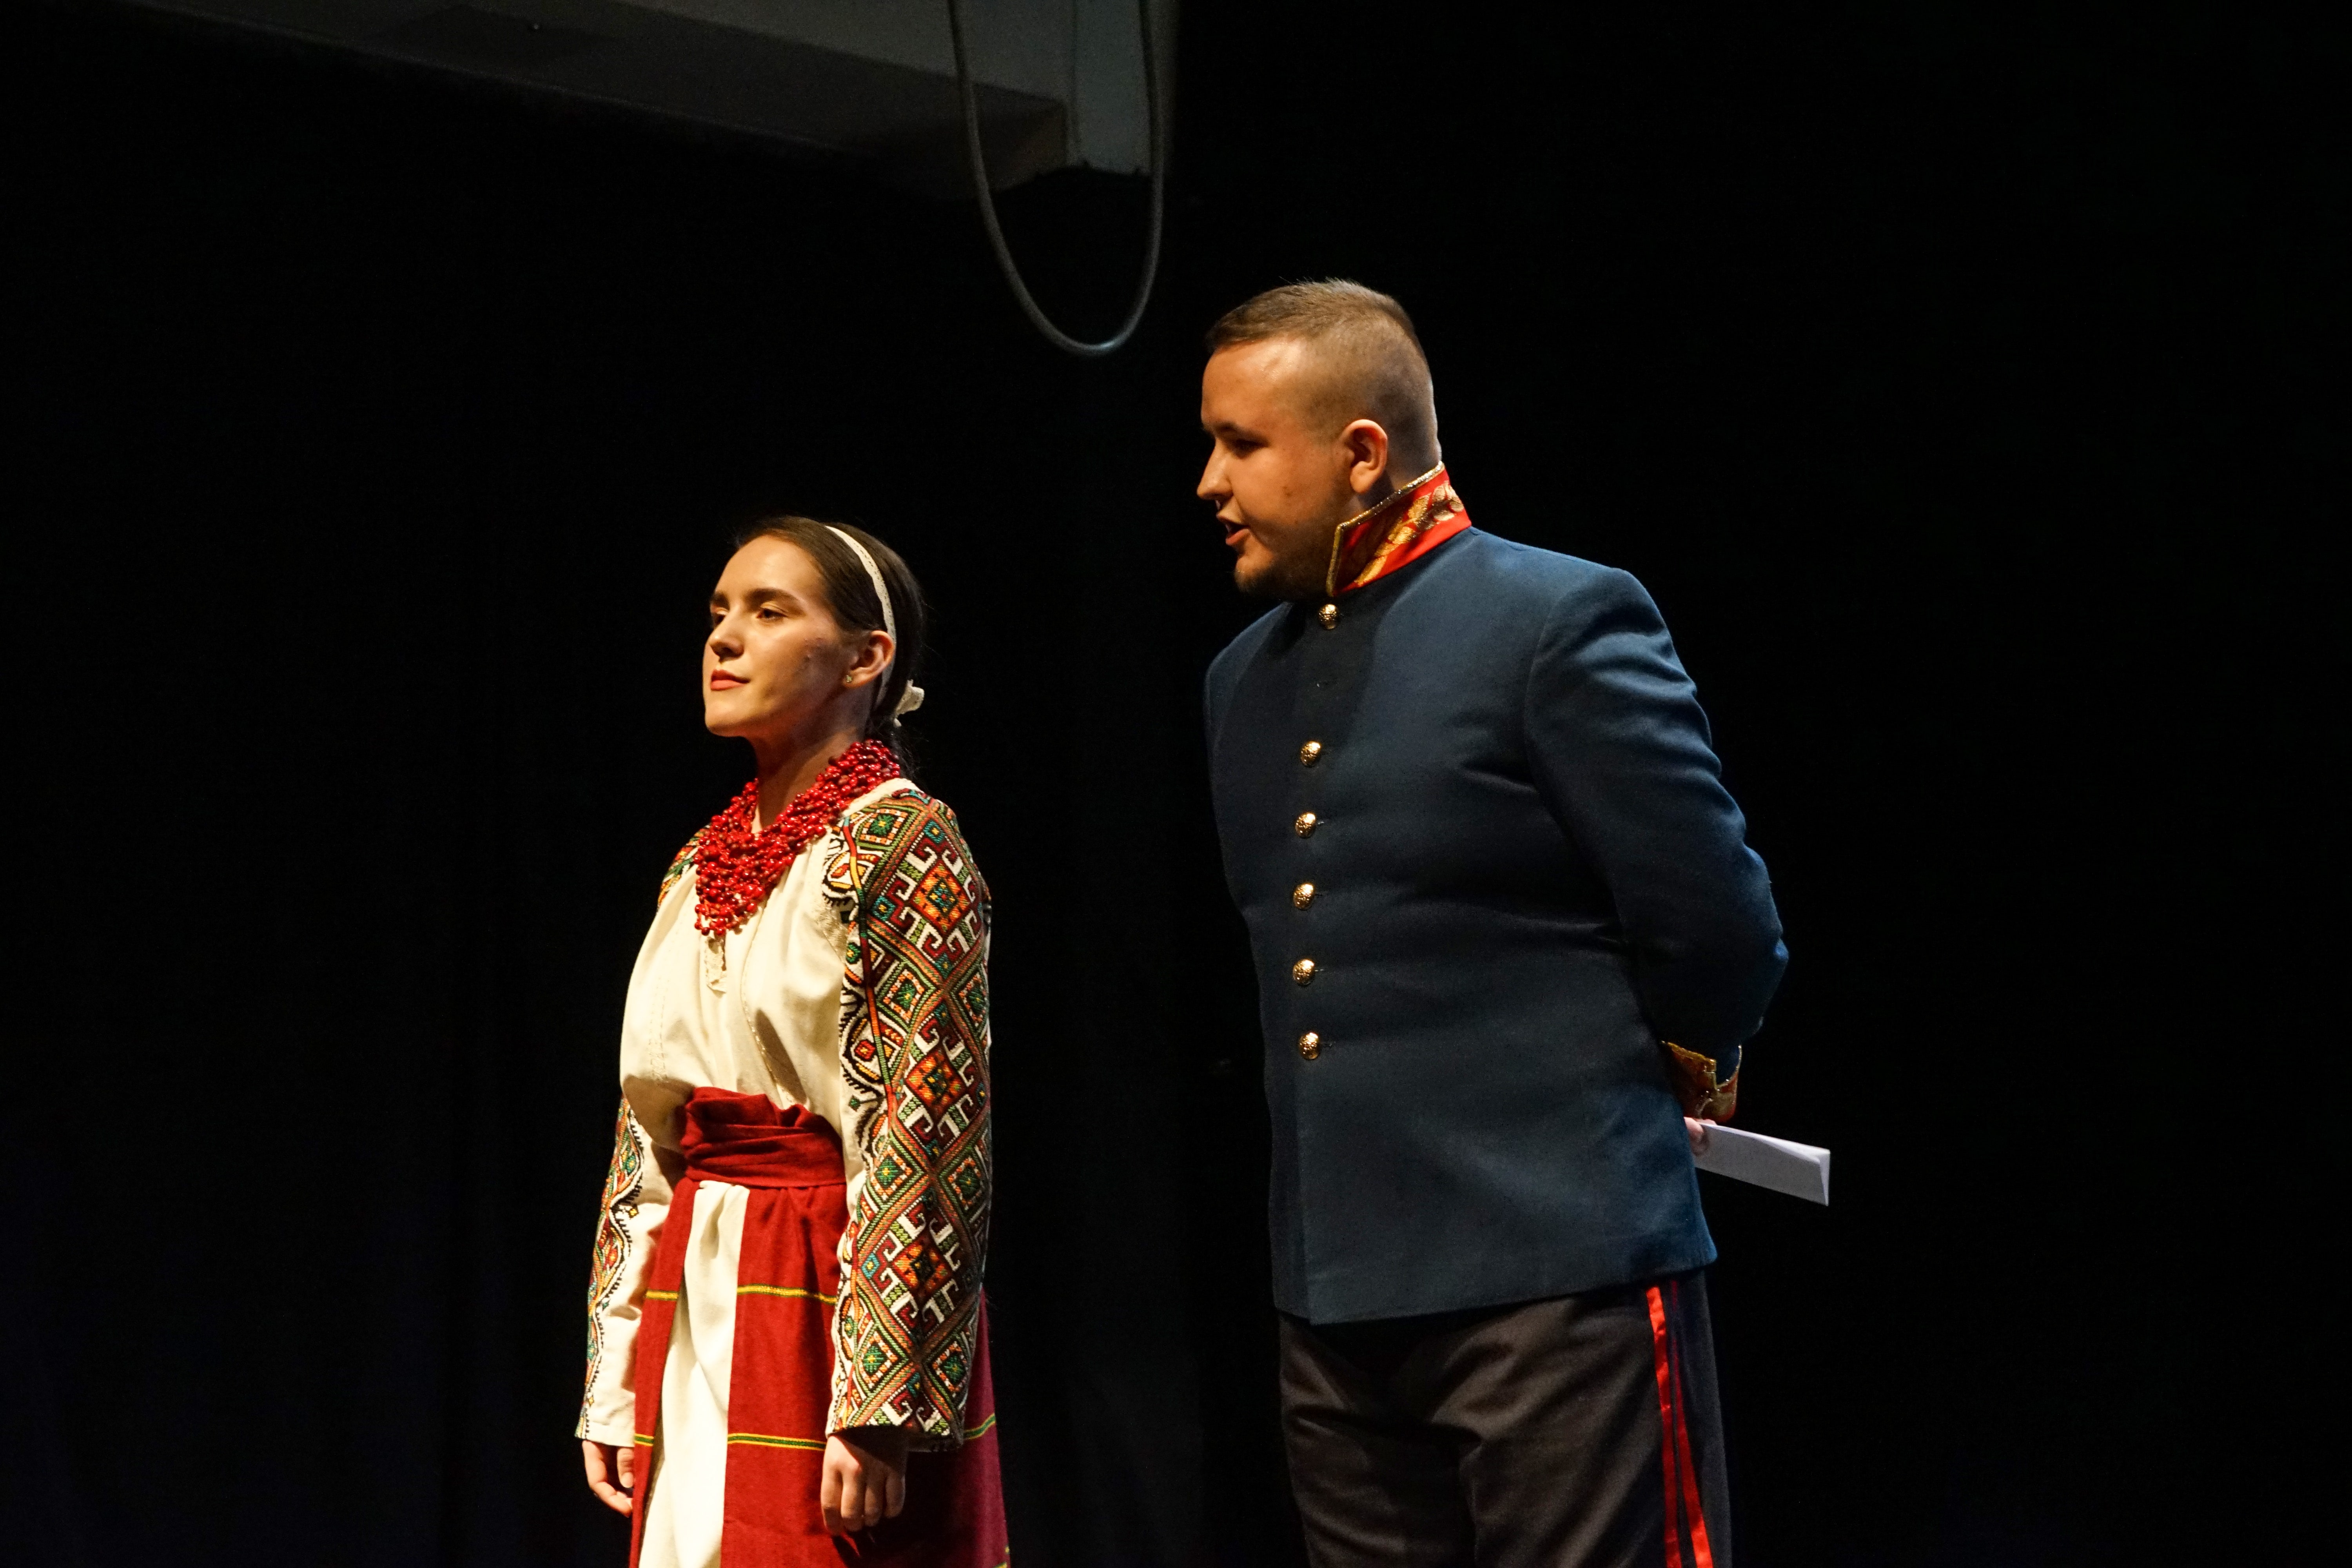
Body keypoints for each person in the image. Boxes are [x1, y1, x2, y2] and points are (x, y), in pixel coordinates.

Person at [1198, 281, 1786, 1568]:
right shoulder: (1241, 681)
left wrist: (1681, 1069)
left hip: (1558, 1274)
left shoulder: (1553, 620)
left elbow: (1717, 922)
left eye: (1241, 444)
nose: (1210, 482)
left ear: (1362, 453)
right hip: (1337, 1297)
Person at [574, 517, 1007, 1568]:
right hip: (698, 1288)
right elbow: (648, 1138)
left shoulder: (903, 844)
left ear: (865, 657)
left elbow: (926, 1133)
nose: (724, 639)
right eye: (720, 614)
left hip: (824, 1295)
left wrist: (881, 1400)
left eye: (770, 613)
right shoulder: (699, 865)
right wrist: (616, 1377)